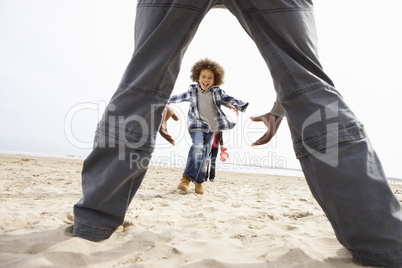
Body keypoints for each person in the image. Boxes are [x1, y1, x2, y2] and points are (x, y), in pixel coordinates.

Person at [73, 1, 402, 267]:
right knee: (308, 85)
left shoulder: (214, 91)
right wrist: (282, 104)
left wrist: (150, 100)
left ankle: (94, 223)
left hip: (208, 129)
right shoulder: (196, 90)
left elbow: (216, 101)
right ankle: (382, 240)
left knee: (141, 83)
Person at [166, 58, 248, 194]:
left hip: (212, 128)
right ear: (197, 77)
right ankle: (186, 179)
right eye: (203, 76)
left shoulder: (217, 92)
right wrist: (161, 101)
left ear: (215, 80)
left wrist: (237, 105)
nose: (206, 80)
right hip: (196, 125)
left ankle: (199, 181)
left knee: (205, 156)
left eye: (210, 78)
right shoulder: (192, 91)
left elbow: (228, 99)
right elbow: (176, 97)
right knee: (197, 147)